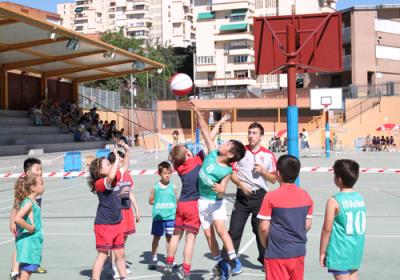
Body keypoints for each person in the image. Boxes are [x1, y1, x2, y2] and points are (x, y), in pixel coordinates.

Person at [166, 113, 230, 280]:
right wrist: (221, 122)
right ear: (188, 152)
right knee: (190, 239)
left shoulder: (179, 167)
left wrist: (175, 144)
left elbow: (173, 156)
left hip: (181, 204)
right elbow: (210, 138)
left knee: (175, 235)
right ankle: (186, 270)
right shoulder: (197, 160)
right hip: (194, 204)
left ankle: (169, 262)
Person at [192, 101, 246, 280]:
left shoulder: (226, 171)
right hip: (202, 201)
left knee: (221, 230)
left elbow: (223, 191)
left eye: (228, 143)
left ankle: (234, 260)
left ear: (229, 154)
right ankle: (221, 264)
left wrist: (221, 190)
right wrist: (197, 111)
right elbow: (205, 130)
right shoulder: (213, 153)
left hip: (215, 203)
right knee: (208, 235)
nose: (224, 142)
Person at [221, 122, 277, 275]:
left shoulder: (268, 155)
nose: (251, 136)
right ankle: (228, 262)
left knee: (261, 230)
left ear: (261, 136)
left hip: (260, 197)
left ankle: (265, 260)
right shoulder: (240, 152)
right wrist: (240, 183)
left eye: (254, 133)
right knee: (234, 230)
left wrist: (263, 171)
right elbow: (231, 172)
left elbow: (273, 179)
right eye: (249, 132)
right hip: (242, 197)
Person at [258, 155, 314, 280]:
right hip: (298, 252)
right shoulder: (306, 196)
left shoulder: (270, 197)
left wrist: (265, 244)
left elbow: (263, 228)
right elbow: (308, 224)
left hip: (276, 253)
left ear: (278, 173)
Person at [319, 159, 366, 280]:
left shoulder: (334, 201)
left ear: (339, 179)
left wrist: (322, 252)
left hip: (339, 252)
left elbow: (326, 229)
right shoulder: (359, 198)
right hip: (355, 251)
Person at [88, 149, 127, 280]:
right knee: (103, 255)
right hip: (104, 224)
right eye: (107, 164)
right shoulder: (100, 183)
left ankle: (123, 277)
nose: (111, 165)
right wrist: (115, 159)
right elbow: (110, 177)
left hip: (117, 222)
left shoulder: (115, 177)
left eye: (110, 164)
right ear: (99, 171)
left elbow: (123, 167)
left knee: (120, 254)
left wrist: (125, 152)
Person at [107, 143, 140, 279]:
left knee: (122, 241)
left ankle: (120, 263)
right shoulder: (111, 176)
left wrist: (136, 209)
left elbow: (130, 193)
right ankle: (113, 267)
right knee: (116, 241)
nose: (121, 161)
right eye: (118, 160)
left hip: (127, 210)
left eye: (121, 159)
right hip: (116, 211)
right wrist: (116, 153)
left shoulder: (124, 173)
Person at [9, 158, 46, 279]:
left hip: (32, 233)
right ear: (27, 172)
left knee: (27, 261)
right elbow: (17, 206)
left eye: (41, 169)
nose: (40, 171)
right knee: (21, 252)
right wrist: (13, 222)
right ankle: (15, 271)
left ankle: (30, 266)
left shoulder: (35, 190)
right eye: (37, 169)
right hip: (27, 232)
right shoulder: (26, 192)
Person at [148, 161, 177, 270]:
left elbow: (176, 201)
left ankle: (171, 259)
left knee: (170, 239)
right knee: (156, 237)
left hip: (170, 217)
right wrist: (157, 202)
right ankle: (154, 257)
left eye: (169, 173)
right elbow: (150, 200)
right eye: (165, 173)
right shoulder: (155, 187)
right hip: (158, 217)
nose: (167, 175)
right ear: (160, 173)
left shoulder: (173, 187)